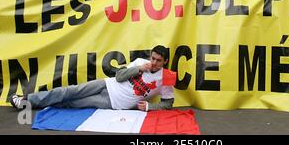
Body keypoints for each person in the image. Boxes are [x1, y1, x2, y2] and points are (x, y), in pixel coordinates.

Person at [10, 45, 174, 112]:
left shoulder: (165, 78)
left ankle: (39, 104)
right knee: (70, 91)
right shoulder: (140, 62)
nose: (154, 62)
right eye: (153, 58)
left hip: (113, 103)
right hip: (106, 84)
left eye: (158, 60)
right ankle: (27, 100)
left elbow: (168, 103)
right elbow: (118, 76)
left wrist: (150, 107)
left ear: (165, 61)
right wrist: (137, 69)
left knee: (74, 103)